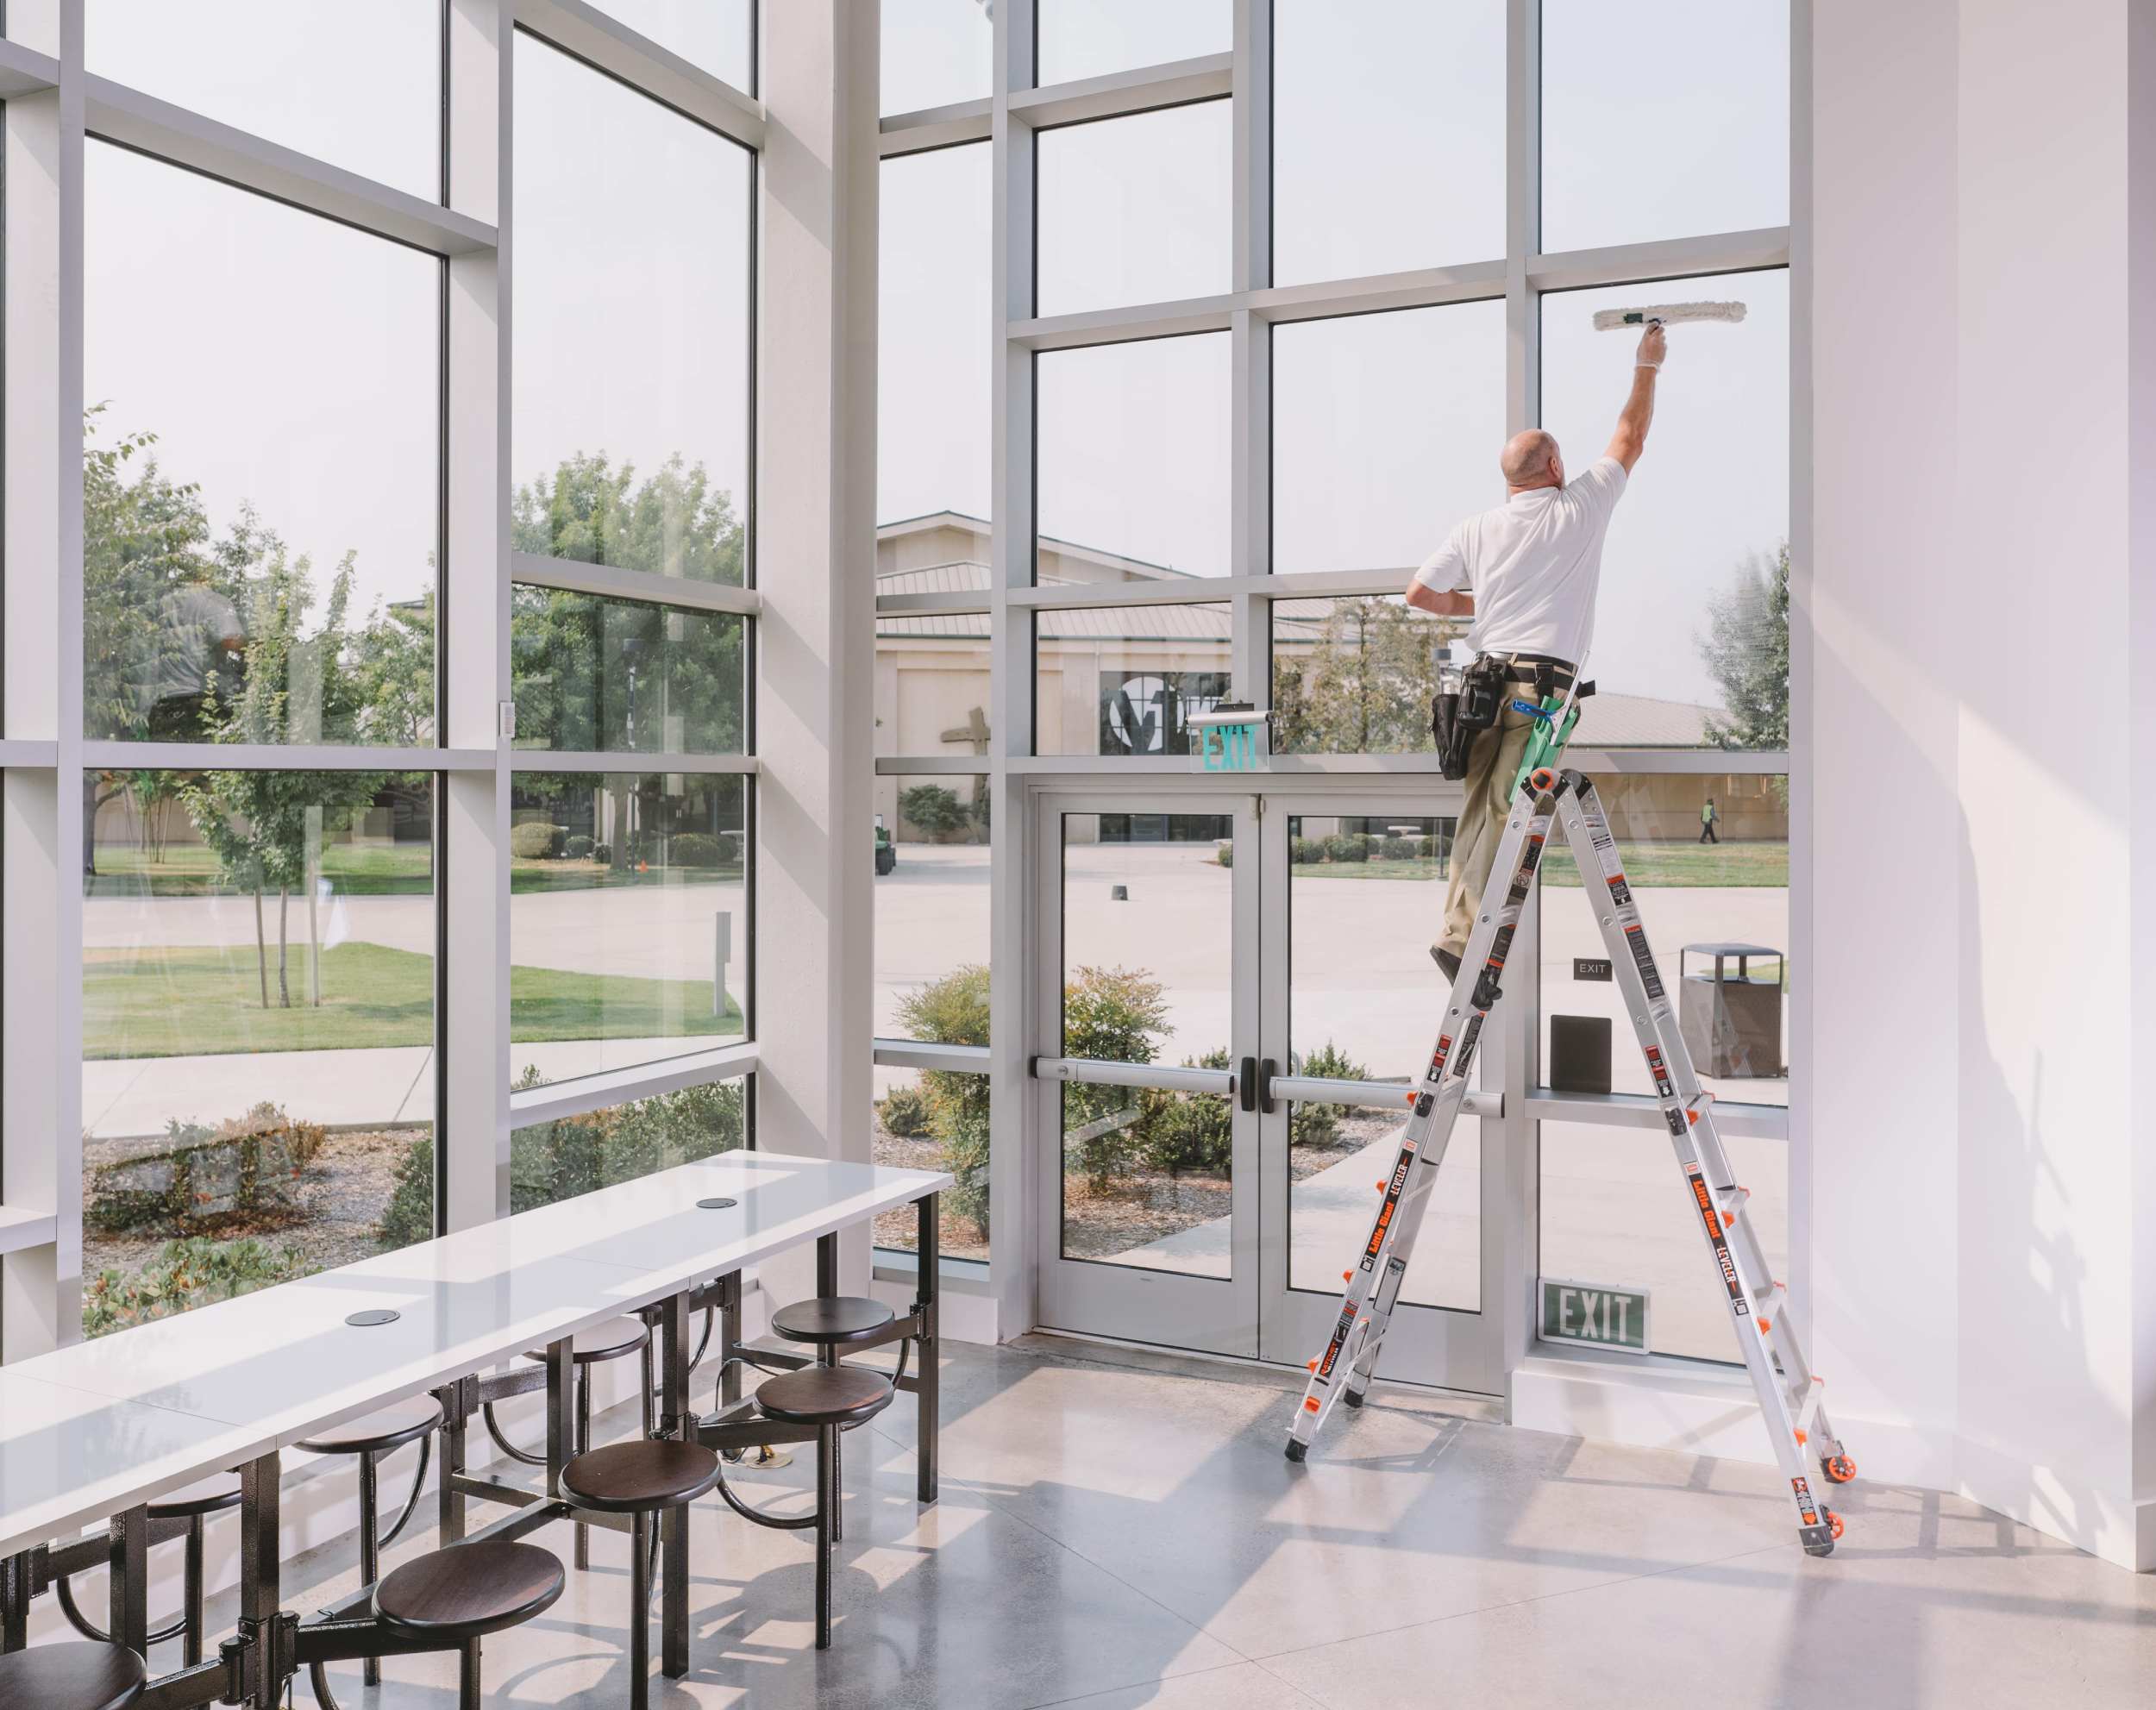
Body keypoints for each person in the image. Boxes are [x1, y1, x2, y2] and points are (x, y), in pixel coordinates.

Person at [1407, 321, 1667, 981]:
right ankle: (1466, 946)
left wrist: (1484, 604)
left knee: (1478, 810)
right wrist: (1647, 364)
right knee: (1504, 808)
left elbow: (1421, 594)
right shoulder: (1576, 507)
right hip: (1536, 692)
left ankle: (1454, 929)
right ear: (1553, 467)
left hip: (1479, 686)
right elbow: (1629, 438)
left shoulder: (1478, 527)